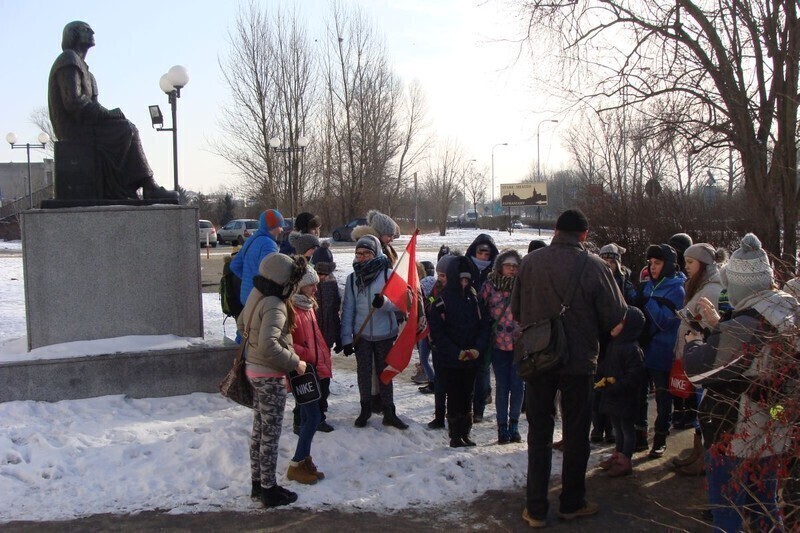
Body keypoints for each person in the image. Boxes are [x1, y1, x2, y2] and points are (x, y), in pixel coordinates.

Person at [512, 208, 626, 528]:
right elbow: (616, 317)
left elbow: (516, 310)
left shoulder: (530, 262)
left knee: (539, 431)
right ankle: (572, 502)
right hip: (579, 362)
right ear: (585, 236)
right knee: (577, 433)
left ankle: (535, 509)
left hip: (539, 359)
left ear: (555, 231)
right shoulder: (596, 266)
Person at [683, 233, 796, 532]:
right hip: (775, 425)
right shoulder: (787, 311)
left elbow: (698, 372)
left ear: (740, 283)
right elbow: (755, 357)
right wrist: (720, 325)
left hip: (736, 433)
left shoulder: (745, 327)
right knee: (765, 506)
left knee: (727, 510)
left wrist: (693, 342)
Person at [48, 21, 176, 201]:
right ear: (73, 35)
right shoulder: (68, 59)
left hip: (86, 124)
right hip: (73, 129)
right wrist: (108, 114)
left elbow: (93, 105)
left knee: (127, 127)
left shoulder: (87, 72)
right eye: (85, 29)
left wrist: (107, 115)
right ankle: (144, 186)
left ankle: (141, 186)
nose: (92, 32)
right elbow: (73, 102)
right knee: (125, 130)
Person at [237, 253, 308, 508]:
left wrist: (255, 346)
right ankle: (269, 489)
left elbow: (240, 323)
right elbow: (269, 345)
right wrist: (295, 362)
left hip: (253, 371)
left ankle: (258, 484)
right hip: (268, 376)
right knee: (270, 435)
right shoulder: (276, 304)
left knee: (259, 432)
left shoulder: (256, 295)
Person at [340, 235, 408, 429]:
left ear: (375, 253)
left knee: (384, 373)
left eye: (366, 253)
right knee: (364, 373)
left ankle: (389, 411)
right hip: (361, 336)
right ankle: (365, 408)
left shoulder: (387, 275)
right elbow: (348, 310)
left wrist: (383, 303)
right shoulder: (353, 278)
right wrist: (346, 338)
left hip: (385, 333)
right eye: (358, 253)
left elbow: (400, 304)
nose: (361, 257)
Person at [670, 243, 726, 476]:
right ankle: (697, 452)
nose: (686, 266)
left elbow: (709, 325)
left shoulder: (711, 289)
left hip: (706, 358)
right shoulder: (700, 285)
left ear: (703, 264)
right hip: (697, 354)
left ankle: (704, 458)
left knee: (704, 409)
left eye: (691, 262)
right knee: (698, 407)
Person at [427, 255, 490, 448]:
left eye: (466, 280)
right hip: (452, 359)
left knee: (467, 395)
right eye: (461, 280)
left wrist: (477, 349)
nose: (464, 283)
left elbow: (484, 326)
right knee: (454, 396)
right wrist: (457, 352)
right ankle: (455, 434)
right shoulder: (441, 302)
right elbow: (438, 334)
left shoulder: (474, 300)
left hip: (472, 356)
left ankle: (465, 432)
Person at [637, 244, 685, 459]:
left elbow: (665, 321)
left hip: (663, 349)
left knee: (663, 397)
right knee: (638, 393)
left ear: (668, 265)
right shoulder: (649, 285)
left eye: (657, 263)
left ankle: (660, 438)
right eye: (651, 263)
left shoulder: (677, 288)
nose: (652, 267)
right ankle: (639, 433)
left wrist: (647, 303)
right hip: (644, 348)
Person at [351, 209, 401, 414]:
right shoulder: (370, 249)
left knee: (382, 366)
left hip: (383, 318)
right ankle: (372, 399)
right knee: (368, 368)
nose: (391, 238)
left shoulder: (387, 250)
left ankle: (382, 400)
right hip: (368, 320)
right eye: (388, 234)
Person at [287, 265, 330, 484]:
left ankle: (304, 459)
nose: (316, 288)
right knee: (313, 417)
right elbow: (289, 343)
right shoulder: (291, 309)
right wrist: (310, 356)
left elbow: (316, 338)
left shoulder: (308, 306)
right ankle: (296, 462)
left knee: (308, 416)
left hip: (313, 368)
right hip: (301, 370)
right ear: (300, 286)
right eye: (312, 284)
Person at [479, 249, 524, 444]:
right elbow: (480, 307)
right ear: (500, 266)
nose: (512, 270)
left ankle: (514, 424)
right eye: (508, 266)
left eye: (515, 266)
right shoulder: (490, 285)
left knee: (518, 385)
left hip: (519, 343)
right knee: (502, 386)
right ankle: (502, 426)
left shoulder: (524, 286)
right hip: (498, 343)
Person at [596, 307, 646, 477]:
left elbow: (634, 376)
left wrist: (616, 386)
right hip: (613, 396)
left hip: (625, 397)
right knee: (617, 427)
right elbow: (605, 366)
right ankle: (618, 453)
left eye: (619, 322)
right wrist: (599, 377)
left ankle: (625, 459)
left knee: (626, 429)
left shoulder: (632, 349)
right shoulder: (614, 345)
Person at [465, 234, 500, 423]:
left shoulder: (495, 273)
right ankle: (466, 407)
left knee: (483, 369)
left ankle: (478, 409)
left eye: (487, 252)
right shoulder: (465, 267)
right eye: (480, 251)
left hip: (487, 325)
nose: (483, 255)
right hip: (467, 324)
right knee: (466, 368)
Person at [425, 253, 459, 429]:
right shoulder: (437, 289)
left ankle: (453, 416)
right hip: (438, 343)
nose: (440, 279)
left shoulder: (459, 292)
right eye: (438, 275)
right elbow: (429, 302)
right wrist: (429, 303)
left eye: (443, 275)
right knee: (439, 383)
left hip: (454, 344)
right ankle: (439, 415)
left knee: (453, 384)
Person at [309, 241, 341, 433]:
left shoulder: (332, 282)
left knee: (324, 378)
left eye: (327, 272)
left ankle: (321, 411)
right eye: (320, 273)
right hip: (309, 340)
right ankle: (311, 414)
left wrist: (337, 337)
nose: (323, 277)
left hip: (325, 338)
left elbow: (334, 311)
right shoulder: (305, 284)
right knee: (311, 378)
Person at [230, 209, 284, 307]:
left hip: (246, 297)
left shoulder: (251, 240)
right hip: (260, 299)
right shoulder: (269, 244)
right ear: (272, 226)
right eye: (280, 226)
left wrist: (248, 279)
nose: (281, 230)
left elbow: (234, 265)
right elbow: (270, 273)